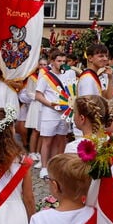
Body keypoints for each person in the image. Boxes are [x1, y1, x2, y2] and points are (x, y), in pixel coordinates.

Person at [35, 49, 75, 179]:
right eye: (59, 61)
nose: (62, 63)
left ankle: (57, 165)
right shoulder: (46, 77)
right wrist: (50, 104)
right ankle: (44, 167)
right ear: (52, 62)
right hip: (50, 112)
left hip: (64, 112)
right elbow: (38, 95)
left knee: (61, 140)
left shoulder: (68, 75)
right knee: (47, 141)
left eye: (64, 61)